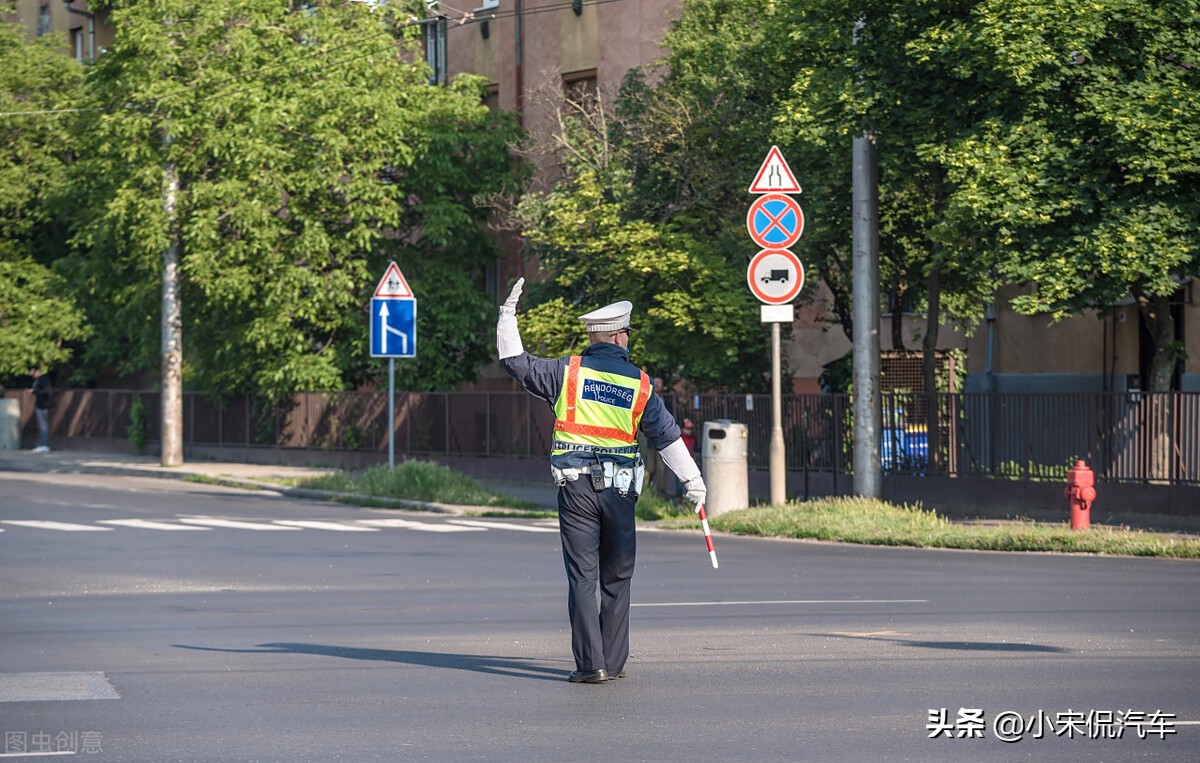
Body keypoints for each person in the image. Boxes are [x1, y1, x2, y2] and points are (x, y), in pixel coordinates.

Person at [497, 279, 707, 684]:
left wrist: (508, 316)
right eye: (627, 332)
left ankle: (590, 665)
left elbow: (516, 362)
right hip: (620, 491)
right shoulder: (640, 384)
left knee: (583, 575)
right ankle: (612, 662)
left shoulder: (566, 372)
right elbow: (667, 438)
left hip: (576, 489)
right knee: (618, 574)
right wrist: (693, 482)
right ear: (618, 336)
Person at [29, 368, 54, 453]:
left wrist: (35, 391)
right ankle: (42, 444)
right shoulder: (39, 380)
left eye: (33, 373)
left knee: (43, 426)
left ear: (38, 371)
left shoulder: (44, 380)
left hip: (42, 405)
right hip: (41, 404)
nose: (33, 375)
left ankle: (44, 445)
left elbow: (47, 391)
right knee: (42, 426)